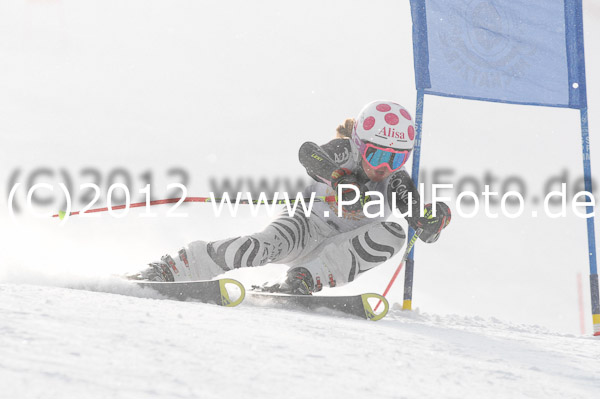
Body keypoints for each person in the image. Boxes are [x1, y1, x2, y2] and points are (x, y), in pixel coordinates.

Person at [129, 100, 451, 294]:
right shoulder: (344, 152)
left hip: (336, 249)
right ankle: (173, 268)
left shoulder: (396, 181)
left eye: (396, 159)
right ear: (358, 143)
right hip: (305, 224)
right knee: (258, 248)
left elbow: (415, 217)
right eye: (376, 155)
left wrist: (429, 221)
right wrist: (340, 180)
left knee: (394, 233)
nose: (384, 167)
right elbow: (309, 154)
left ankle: (304, 279)